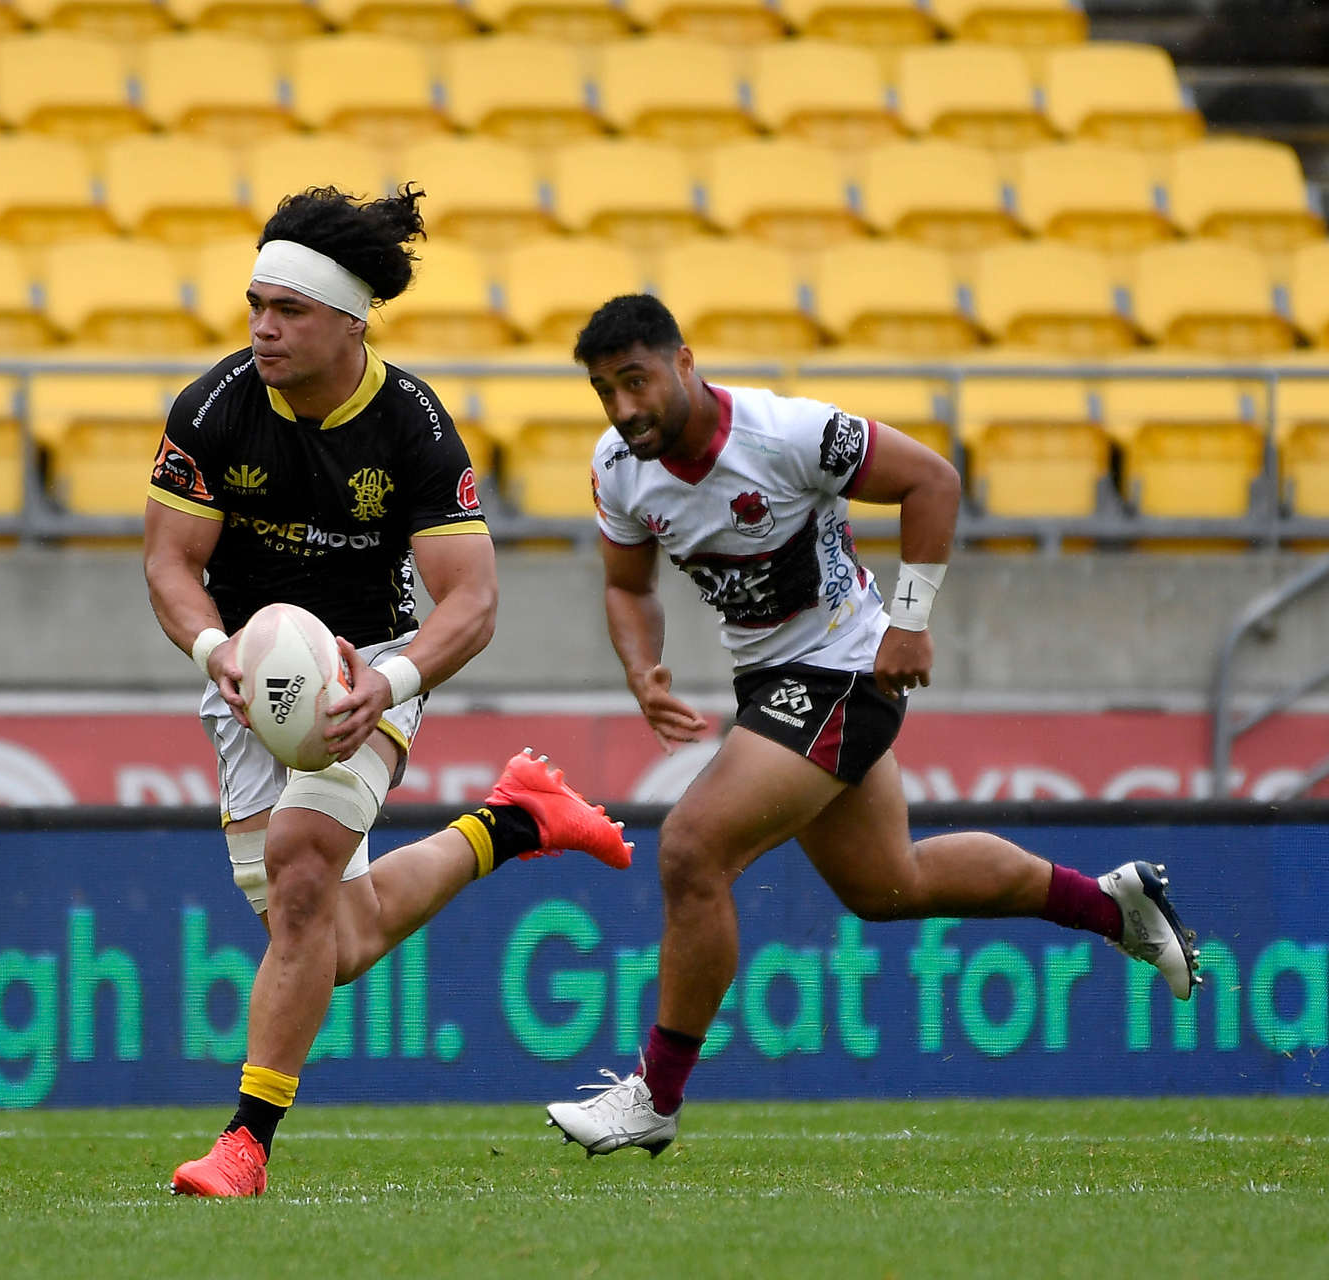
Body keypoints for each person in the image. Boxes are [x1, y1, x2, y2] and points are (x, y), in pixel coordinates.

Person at [544, 294, 1202, 1157]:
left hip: (846, 670)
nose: (624, 408)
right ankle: (1114, 905)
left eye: (636, 381)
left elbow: (934, 480)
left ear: (685, 364)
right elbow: (628, 588)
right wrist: (641, 667)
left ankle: (654, 1097)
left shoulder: (788, 434)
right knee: (892, 887)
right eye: (605, 391)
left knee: (693, 849)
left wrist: (910, 619)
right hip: (772, 682)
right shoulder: (618, 467)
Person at [142, 186, 634, 1197]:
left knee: (303, 867)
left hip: (372, 661)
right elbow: (167, 563)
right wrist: (210, 649)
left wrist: (396, 680)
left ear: (350, 322)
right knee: (330, 930)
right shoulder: (212, 407)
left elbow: (473, 598)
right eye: (255, 305)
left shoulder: (410, 424)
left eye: (290, 310)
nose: (263, 328)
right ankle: (514, 821)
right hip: (249, 677)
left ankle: (245, 1143)